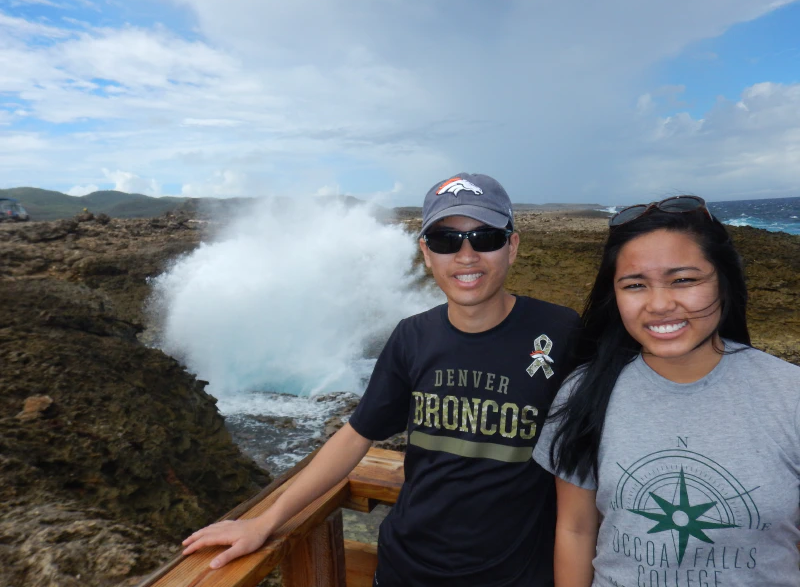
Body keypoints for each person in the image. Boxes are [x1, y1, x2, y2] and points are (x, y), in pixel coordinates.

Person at [182, 173, 580, 586]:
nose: (466, 255)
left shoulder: (561, 332)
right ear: (426, 253)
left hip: (518, 576)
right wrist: (267, 520)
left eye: (485, 238)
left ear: (512, 247)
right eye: (446, 240)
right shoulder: (412, 337)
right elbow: (357, 434)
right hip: (406, 571)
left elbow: (600, 450)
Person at [532, 196, 800, 587]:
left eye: (684, 280)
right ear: (615, 295)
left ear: (723, 282)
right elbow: (575, 530)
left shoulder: (788, 394)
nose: (659, 305)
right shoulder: (584, 392)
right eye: (635, 285)